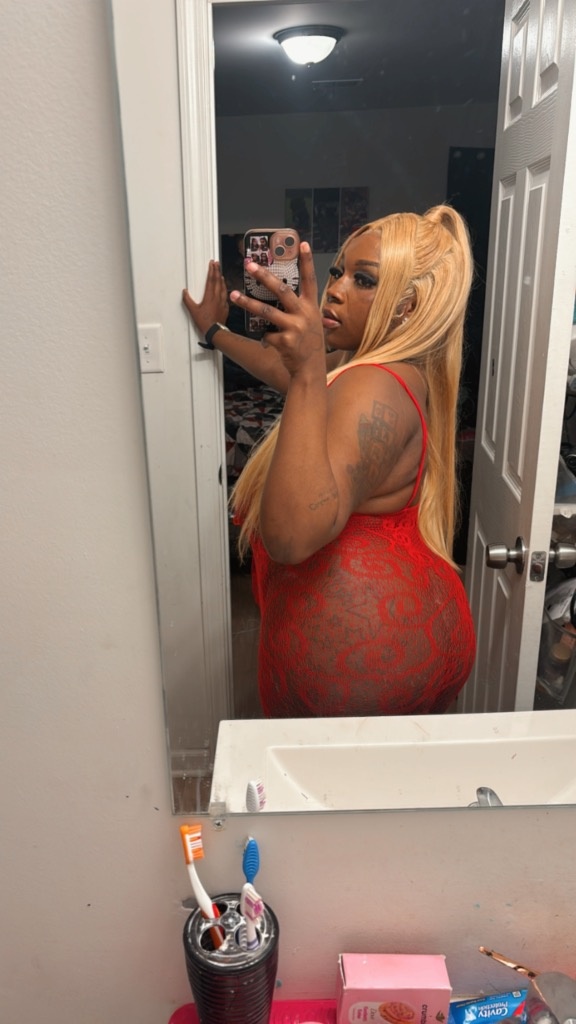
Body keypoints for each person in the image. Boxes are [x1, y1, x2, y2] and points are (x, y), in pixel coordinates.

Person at [182, 205, 476, 717]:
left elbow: (291, 538)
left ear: (408, 306)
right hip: (391, 640)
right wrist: (216, 333)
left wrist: (304, 373)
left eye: (364, 279)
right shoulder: (365, 361)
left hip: (369, 666)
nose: (335, 289)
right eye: (338, 271)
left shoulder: (375, 385)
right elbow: (282, 368)